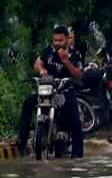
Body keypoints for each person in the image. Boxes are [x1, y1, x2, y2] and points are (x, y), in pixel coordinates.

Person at [17, 26, 85, 158]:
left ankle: (77, 157)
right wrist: (41, 70)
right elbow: (37, 63)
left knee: (75, 121)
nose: (57, 43)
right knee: (28, 102)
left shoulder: (75, 53)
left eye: (60, 40)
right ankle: (22, 140)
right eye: (55, 40)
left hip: (65, 90)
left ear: (66, 40)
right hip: (46, 89)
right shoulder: (48, 50)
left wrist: (66, 61)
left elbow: (78, 74)